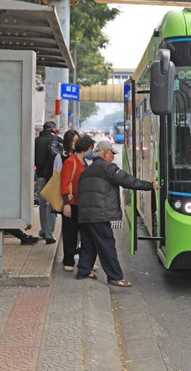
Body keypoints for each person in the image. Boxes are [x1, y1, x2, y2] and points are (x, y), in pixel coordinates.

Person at [76, 140, 159, 287]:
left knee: (89, 244)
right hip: (100, 214)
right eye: (112, 154)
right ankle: (115, 277)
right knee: (106, 244)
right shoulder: (108, 168)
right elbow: (128, 181)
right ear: (106, 153)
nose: (113, 157)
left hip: (85, 215)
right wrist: (149, 186)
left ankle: (84, 271)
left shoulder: (86, 171)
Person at [59, 134, 94, 272]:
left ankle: (85, 260)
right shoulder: (71, 162)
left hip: (82, 203)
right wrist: (66, 204)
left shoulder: (83, 162)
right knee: (70, 233)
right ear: (85, 149)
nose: (92, 151)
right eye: (91, 148)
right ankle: (68, 260)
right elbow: (65, 184)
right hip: (72, 204)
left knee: (84, 233)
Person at [35, 121, 62, 244]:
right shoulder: (58, 139)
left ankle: (43, 229)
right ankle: (49, 234)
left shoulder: (37, 141)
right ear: (53, 129)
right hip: (53, 177)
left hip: (40, 175)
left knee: (42, 203)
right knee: (51, 204)